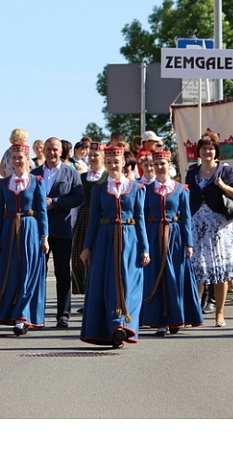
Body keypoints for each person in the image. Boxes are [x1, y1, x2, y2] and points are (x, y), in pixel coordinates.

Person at [79, 145, 149, 347]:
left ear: (123, 163)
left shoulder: (136, 188)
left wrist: (145, 247)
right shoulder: (99, 189)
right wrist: (87, 247)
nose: (112, 166)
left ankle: (124, 324)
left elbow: (140, 219)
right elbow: (93, 220)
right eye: (108, 162)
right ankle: (113, 328)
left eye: (115, 162)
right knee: (108, 282)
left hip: (130, 239)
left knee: (129, 283)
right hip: (105, 239)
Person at [185, 131, 233, 327]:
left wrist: (222, 186)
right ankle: (195, 314)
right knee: (198, 271)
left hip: (219, 228)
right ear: (199, 151)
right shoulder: (191, 172)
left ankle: (220, 313)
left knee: (220, 272)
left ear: (216, 151)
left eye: (211, 148)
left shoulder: (225, 171)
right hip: (196, 226)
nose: (207, 152)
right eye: (204, 148)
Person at [0, 143, 49, 335]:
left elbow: (42, 212)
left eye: (20, 157)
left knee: (28, 271)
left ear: (27, 159)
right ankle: (9, 313)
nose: (17, 161)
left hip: (30, 228)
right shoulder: (3, 183)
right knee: (11, 272)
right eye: (14, 158)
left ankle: (23, 316)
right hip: (8, 231)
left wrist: (44, 237)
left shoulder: (37, 181)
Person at [140, 150, 202, 336]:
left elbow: (186, 219)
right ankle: (158, 321)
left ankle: (177, 318)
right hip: (153, 235)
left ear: (169, 165)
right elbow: (141, 217)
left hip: (175, 237)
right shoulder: (145, 190)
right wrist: (142, 245)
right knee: (155, 277)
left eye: (162, 164)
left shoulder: (181, 189)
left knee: (175, 277)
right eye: (155, 164)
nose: (159, 168)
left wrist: (188, 243)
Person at [31, 137, 84, 328]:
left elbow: (79, 197)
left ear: (61, 151)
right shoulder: (34, 173)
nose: (51, 153)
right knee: (38, 274)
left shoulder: (71, 172)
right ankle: (36, 315)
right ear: (42, 151)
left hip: (62, 229)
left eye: (55, 149)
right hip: (39, 232)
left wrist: (56, 204)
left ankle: (63, 315)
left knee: (62, 274)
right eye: (48, 149)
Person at [71, 142, 107, 296]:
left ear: (103, 157)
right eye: (90, 155)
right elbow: (76, 203)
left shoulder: (107, 177)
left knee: (100, 257)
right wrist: (73, 223)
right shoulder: (82, 177)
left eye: (95, 155)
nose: (92, 157)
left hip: (102, 220)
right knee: (80, 256)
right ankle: (87, 296)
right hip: (84, 218)